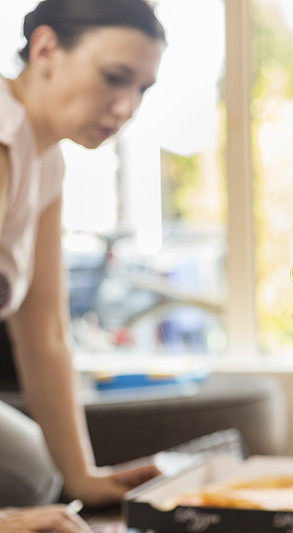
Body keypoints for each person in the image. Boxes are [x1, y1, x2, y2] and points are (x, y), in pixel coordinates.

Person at [0, 0, 165, 528]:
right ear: (46, 49)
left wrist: (83, 477)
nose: (126, 107)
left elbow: (44, 331)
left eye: (141, 89)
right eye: (115, 78)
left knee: (32, 467)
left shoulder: (45, 159)